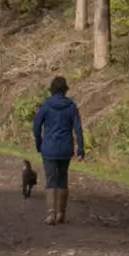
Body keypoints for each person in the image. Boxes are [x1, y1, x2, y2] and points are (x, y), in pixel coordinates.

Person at [30, 76, 85, 225]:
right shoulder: (71, 106)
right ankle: (61, 213)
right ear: (65, 90)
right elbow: (78, 129)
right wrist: (80, 149)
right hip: (66, 148)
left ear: (52, 90)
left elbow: (36, 126)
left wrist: (38, 142)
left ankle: (50, 214)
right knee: (63, 179)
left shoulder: (46, 105)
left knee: (51, 179)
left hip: (49, 148)